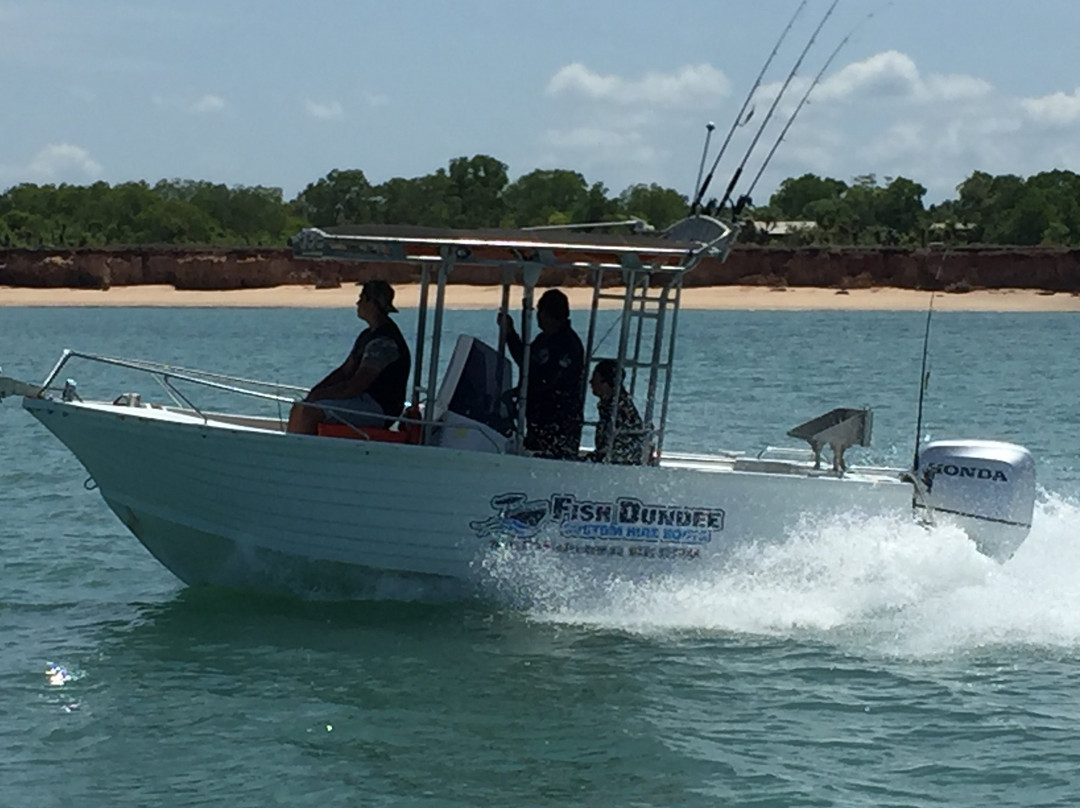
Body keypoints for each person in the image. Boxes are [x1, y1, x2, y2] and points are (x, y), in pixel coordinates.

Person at [287, 279, 411, 434]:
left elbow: (357, 385)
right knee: (300, 407)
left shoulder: (384, 341)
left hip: (378, 408)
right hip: (363, 400)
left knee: (310, 412)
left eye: (361, 298)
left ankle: (301, 452)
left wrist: (322, 395)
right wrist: (317, 391)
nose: (357, 303)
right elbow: (345, 371)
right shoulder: (367, 335)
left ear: (371, 302)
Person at [497, 288, 584, 459]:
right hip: (538, 421)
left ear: (546, 313)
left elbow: (543, 376)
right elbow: (527, 361)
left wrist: (526, 393)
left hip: (558, 424)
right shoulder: (544, 340)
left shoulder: (568, 345)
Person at [587, 358, 646, 465]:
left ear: (606, 383)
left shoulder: (619, 409)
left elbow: (620, 448)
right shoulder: (610, 404)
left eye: (595, 379)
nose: (590, 382)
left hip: (621, 463)